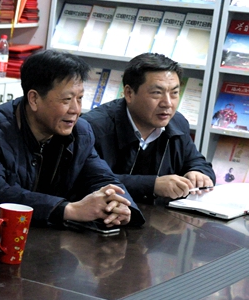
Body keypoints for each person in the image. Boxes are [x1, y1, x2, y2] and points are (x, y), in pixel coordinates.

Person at [0, 49, 144, 229]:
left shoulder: (80, 132)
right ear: (34, 99)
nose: (76, 109)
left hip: (44, 239)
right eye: (66, 100)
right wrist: (68, 210)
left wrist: (120, 205)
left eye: (80, 98)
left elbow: (102, 178)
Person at [83, 54, 216, 204]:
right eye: (157, 93)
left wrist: (198, 172)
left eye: (174, 93)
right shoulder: (92, 128)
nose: (167, 103)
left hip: (160, 217)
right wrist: (152, 185)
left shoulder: (177, 123)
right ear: (129, 93)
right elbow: (88, 179)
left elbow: (196, 161)